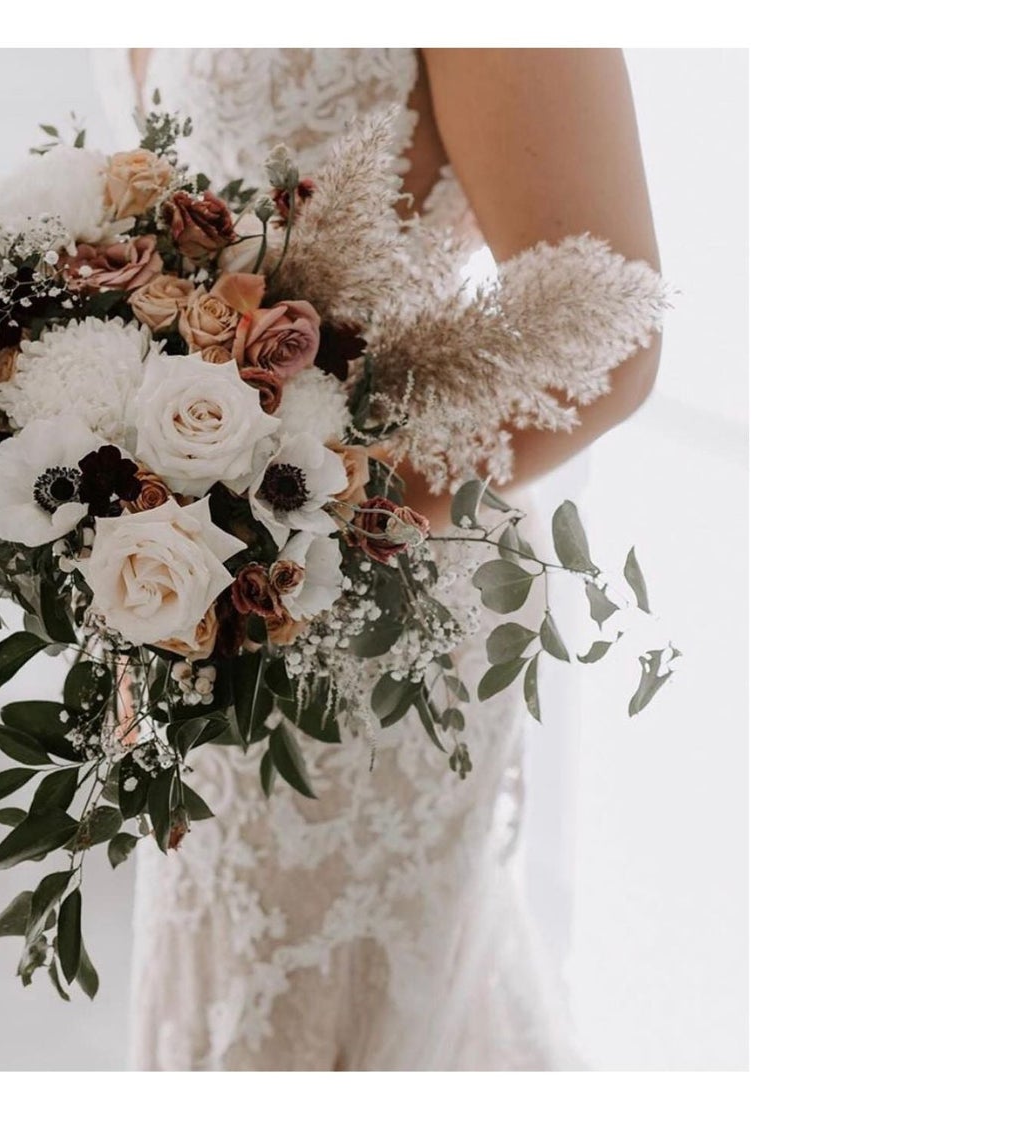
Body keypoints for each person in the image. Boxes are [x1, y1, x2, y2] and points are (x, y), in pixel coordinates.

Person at [98, 48, 663, 1069]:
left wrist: (301, 518)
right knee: (218, 983)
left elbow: (609, 334)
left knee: (330, 1010)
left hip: (366, 612)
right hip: (189, 590)